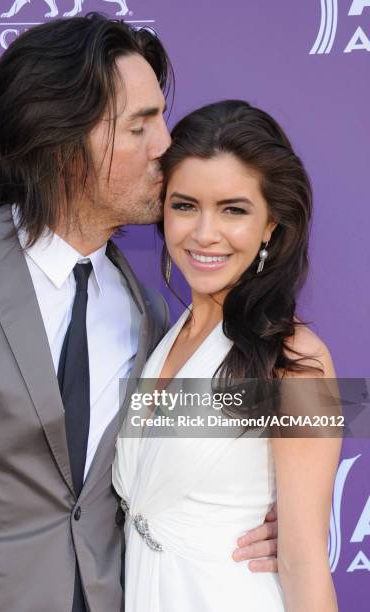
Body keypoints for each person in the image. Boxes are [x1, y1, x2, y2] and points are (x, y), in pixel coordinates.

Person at [0, 17, 277, 612]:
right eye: (140, 125)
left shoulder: (154, 312)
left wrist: (280, 504)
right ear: (61, 144)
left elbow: (269, 408)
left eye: (162, 116)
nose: (167, 145)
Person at [113, 100, 341, 611]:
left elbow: (304, 564)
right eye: (185, 205)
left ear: (270, 225)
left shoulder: (296, 359)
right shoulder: (162, 338)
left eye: (233, 209)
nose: (204, 233)